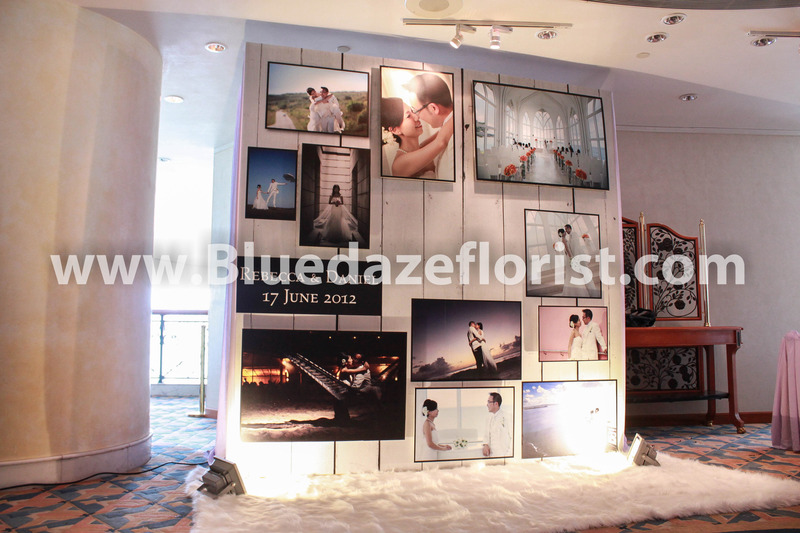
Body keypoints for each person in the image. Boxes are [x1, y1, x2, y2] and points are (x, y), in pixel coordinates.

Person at [380, 97, 453, 179]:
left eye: (413, 111)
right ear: (395, 130)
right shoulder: (399, 164)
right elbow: (441, 142)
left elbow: (443, 130)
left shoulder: (423, 146)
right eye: (408, 116)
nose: (417, 117)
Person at [405, 74, 455, 180]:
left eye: (416, 111)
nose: (417, 117)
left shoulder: (454, 138)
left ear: (433, 108)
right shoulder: (447, 128)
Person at [482, 392, 511, 457]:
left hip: (504, 455)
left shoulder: (507, 417)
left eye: (489, 402)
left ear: (496, 404)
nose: (487, 405)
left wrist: (508, 455)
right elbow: (486, 435)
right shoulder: (489, 418)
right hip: (492, 456)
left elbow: (513, 438)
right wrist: (485, 445)